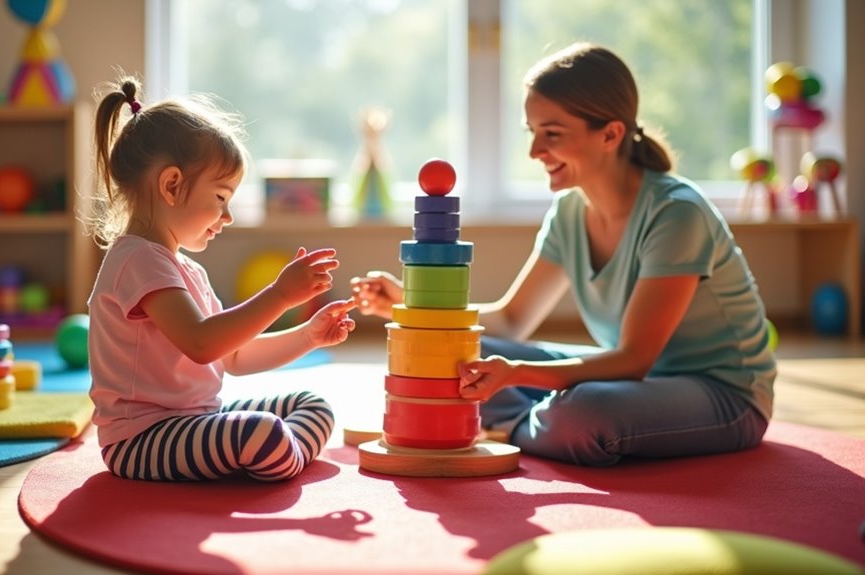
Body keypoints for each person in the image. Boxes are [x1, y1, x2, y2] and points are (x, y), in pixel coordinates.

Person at [350, 42, 776, 467]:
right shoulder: (570, 211)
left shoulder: (677, 213)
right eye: (532, 132)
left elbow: (634, 359)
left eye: (552, 134)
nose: (535, 151)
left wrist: (516, 375)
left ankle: (514, 423)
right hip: (634, 382)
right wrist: (410, 308)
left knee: (585, 411)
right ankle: (532, 421)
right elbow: (512, 320)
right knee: (469, 354)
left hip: (723, 395)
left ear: (610, 134)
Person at [87, 77, 357, 482]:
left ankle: (277, 455)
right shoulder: (136, 259)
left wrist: (308, 337)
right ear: (172, 185)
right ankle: (277, 454)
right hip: (141, 440)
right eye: (220, 198)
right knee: (261, 432)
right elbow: (202, 343)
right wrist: (280, 295)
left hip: (198, 422)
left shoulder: (186, 269)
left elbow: (232, 356)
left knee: (312, 404)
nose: (227, 218)